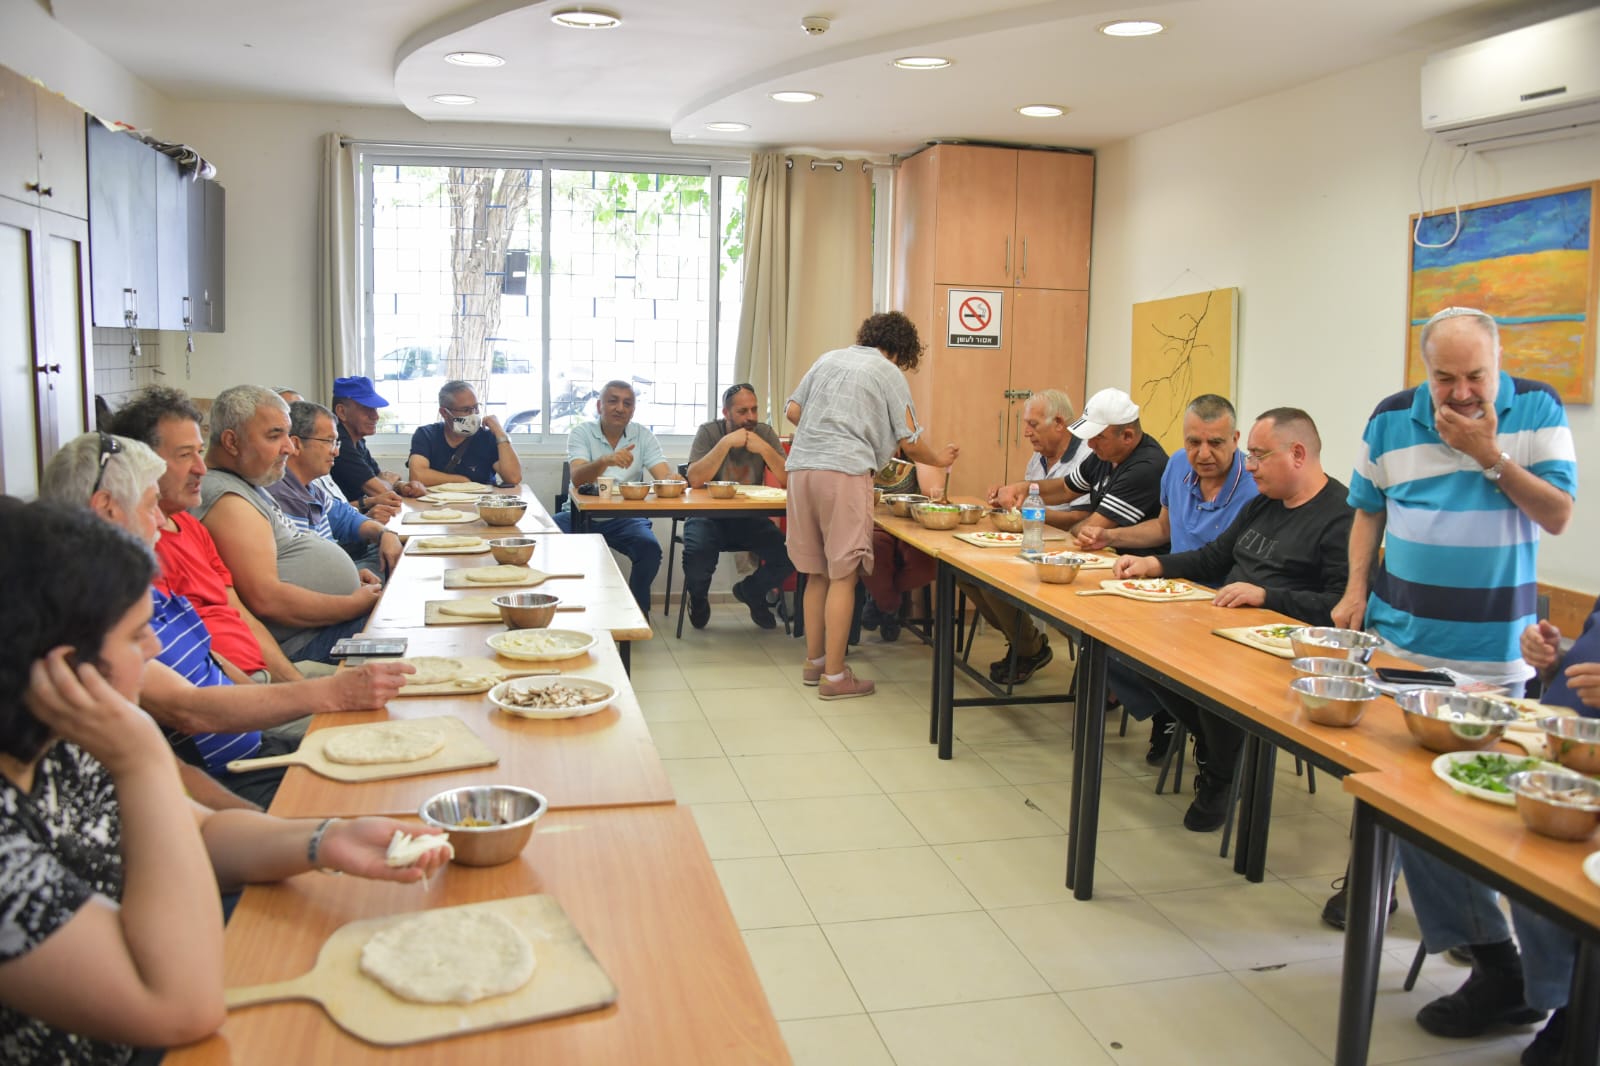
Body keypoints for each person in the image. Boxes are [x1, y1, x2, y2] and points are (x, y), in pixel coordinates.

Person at [0, 498, 446, 1066]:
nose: (156, 648)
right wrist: (144, 759)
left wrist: (322, 839)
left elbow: (203, 836)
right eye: (138, 635)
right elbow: (182, 1006)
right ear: (66, 670)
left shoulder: (60, 743)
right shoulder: (90, 761)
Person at [1328, 306, 1577, 1046]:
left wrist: (1489, 453)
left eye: (1477, 377)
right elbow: (1367, 510)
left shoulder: (1535, 410)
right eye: (1446, 378)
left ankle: (1537, 981)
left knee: (1486, 819)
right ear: (1424, 369)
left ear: (1498, 366)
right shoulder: (1391, 417)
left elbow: (1559, 514)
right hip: (1403, 643)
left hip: (1495, 656)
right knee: (1410, 811)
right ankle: (1495, 961)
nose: (1463, 393)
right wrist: (1353, 588)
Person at [41, 432, 414, 808]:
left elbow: (216, 664)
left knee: (401, 735)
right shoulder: (89, 622)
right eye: (152, 504)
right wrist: (329, 693)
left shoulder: (142, 591)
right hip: (234, 775)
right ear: (106, 508)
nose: (161, 520)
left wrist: (287, 699)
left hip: (257, 745)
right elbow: (187, 711)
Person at [1113, 408, 1352, 831]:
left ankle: (1221, 773)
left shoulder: (1341, 515)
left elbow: (1340, 606)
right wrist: (1153, 564)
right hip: (1227, 629)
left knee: (1217, 683)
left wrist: (1267, 596)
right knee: (1138, 651)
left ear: (1297, 454)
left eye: (1259, 455)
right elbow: (1213, 556)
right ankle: (1215, 744)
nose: (1251, 466)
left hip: (1282, 646)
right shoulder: (1264, 504)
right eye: (1251, 455)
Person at [1396, 605, 1598, 1066]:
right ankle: (1500, 967)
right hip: (1558, 754)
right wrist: (1550, 663)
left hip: (1579, 778)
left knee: (1545, 861)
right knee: (1424, 812)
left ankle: (1578, 1010)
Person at [785, 311, 958, 700]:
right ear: (899, 351)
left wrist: (825, 428)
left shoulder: (827, 359)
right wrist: (941, 461)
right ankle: (835, 677)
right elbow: (910, 442)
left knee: (815, 574)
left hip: (800, 469)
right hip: (844, 472)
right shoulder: (887, 372)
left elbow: (793, 411)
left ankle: (814, 664)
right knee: (844, 575)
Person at [1077, 394, 1259, 761]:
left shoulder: (1254, 486)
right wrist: (1110, 537)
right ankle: (1173, 715)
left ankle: (1206, 735)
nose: (1203, 453)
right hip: (1174, 594)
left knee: (1155, 656)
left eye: (1216, 443)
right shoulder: (1176, 466)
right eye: (1194, 442)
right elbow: (1162, 529)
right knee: (1103, 640)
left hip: (1224, 604)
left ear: (1236, 440)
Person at [107, 385, 304, 683]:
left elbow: (240, 616)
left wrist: (293, 684)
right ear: (141, 465)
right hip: (237, 700)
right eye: (185, 455)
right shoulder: (139, 551)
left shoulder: (192, 528)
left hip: (264, 680)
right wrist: (282, 698)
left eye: (199, 452)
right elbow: (190, 654)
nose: (201, 468)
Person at [992, 387, 1169, 685]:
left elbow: (1090, 528)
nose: (1089, 443)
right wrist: (1022, 488)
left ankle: (1110, 676)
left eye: (1097, 437)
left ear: (1127, 436)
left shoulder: (1145, 467)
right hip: (1106, 558)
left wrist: (1039, 510)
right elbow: (1065, 488)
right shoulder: (1104, 454)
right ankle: (1087, 667)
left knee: (1047, 590)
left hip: (1137, 572)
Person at [195, 385, 381, 664]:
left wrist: (352, 579)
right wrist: (351, 604)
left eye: (287, 434)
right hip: (305, 642)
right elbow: (267, 600)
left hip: (321, 625)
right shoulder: (227, 499)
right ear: (232, 442)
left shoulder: (250, 482)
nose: (288, 446)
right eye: (275, 435)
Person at [962, 388, 1093, 683]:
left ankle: (1030, 648)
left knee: (995, 579)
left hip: (1068, 551)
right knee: (969, 574)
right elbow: (1032, 503)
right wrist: (1009, 500)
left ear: (1059, 423)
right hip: (1035, 543)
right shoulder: (1038, 459)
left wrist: (1030, 513)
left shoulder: (1087, 457)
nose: (1026, 433)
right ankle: (1027, 644)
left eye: (1033, 425)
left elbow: (1081, 518)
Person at [554, 380, 673, 613]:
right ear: (599, 406)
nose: (620, 408)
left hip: (626, 518)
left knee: (650, 550)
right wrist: (605, 460)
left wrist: (673, 479)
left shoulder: (642, 435)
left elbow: (663, 475)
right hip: (579, 516)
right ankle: (564, 607)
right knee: (546, 540)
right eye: (613, 401)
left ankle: (636, 612)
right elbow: (578, 478)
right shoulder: (581, 432)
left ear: (633, 410)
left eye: (627, 403)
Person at [681, 383, 793, 630]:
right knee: (697, 560)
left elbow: (788, 479)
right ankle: (698, 600)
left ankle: (752, 591)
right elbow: (695, 479)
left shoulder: (764, 432)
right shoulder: (709, 432)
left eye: (754, 410)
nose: (750, 417)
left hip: (749, 517)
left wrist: (763, 448)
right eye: (743, 411)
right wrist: (724, 444)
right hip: (707, 517)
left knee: (789, 558)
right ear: (726, 413)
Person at [268, 401, 403, 578]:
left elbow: (349, 518)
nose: (336, 452)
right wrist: (352, 581)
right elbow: (299, 575)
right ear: (296, 444)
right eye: (329, 441)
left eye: (336, 442)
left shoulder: (311, 489)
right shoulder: (278, 497)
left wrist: (384, 533)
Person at [860, 460, 944, 642]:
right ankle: (889, 605)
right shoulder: (864, 443)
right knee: (873, 548)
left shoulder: (915, 446)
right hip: (875, 520)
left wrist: (922, 456)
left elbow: (934, 492)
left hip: (913, 521)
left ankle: (882, 602)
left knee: (926, 563)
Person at [328, 375, 425, 509]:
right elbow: (382, 490)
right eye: (366, 409)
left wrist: (401, 485)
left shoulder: (358, 440)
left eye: (375, 409)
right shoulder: (338, 441)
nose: (375, 416)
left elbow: (378, 476)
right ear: (342, 412)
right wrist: (390, 482)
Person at [407, 380, 523, 488]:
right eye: (466, 410)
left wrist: (500, 432)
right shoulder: (427, 435)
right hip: (437, 505)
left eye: (476, 408)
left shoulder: (487, 437)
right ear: (444, 413)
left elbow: (513, 478)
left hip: (480, 504)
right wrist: (462, 481)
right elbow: (418, 475)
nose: (473, 414)